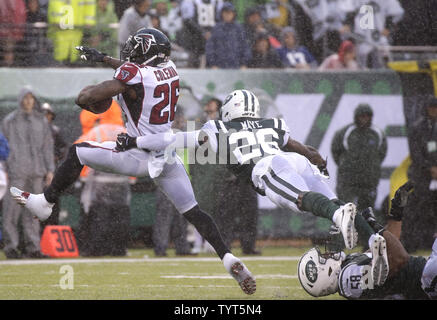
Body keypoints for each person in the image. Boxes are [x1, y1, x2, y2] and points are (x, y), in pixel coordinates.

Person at [10, 28, 256, 295]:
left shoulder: (135, 76)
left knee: (78, 152)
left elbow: (94, 95)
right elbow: (136, 72)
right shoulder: (170, 68)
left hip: (137, 153)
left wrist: (87, 96)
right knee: (194, 211)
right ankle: (228, 257)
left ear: (146, 50)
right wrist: (103, 58)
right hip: (166, 155)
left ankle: (45, 202)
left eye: (135, 48)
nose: (130, 52)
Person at [114, 89, 363, 251]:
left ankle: (338, 216)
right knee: (334, 201)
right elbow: (305, 150)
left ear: (230, 109)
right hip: (294, 160)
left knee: (301, 200)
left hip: (268, 168)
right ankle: (371, 234)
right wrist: (319, 163)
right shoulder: (272, 123)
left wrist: (135, 141)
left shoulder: (217, 127)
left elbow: (174, 139)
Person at [297, 181, 437, 300]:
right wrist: (376, 227)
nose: (327, 254)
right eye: (323, 257)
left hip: (426, 274)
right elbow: (399, 259)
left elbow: (389, 247)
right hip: (427, 281)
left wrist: (396, 213)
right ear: (324, 272)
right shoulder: (348, 280)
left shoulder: (349, 265)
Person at [2, 86, 55, 259]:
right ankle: (11, 247)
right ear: (20, 100)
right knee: (11, 211)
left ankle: (33, 248)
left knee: (34, 212)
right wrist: (4, 168)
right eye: (25, 98)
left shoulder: (41, 121)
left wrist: (50, 170)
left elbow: (47, 147)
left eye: (31, 98)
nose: (28, 101)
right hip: (16, 171)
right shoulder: (9, 121)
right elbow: (3, 146)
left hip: (37, 172)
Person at [331, 103, 387, 219]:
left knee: (368, 213)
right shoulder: (345, 133)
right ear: (356, 117)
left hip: (369, 182)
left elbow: (381, 154)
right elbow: (336, 152)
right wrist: (348, 167)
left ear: (371, 117)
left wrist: (370, 168)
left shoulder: (377, 134)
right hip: (347, 181)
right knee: (345, 210)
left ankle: (365, 236)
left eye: (367, 116)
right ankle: (342, 236)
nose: (364, 119)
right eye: (362, 116)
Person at [153, 108, 193, 257]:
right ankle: (161, 248)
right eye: (180, 118)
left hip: (181, 181)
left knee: (181, 216)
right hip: (167, 181)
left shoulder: (180, 135)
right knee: (165, 216)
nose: (182, 121)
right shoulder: (166, 136)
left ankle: (181, 247)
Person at [401, 95, 437, 253]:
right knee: (418, 209)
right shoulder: (418, 127)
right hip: (422, 176)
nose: (433, 110)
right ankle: (415, 243)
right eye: (431, 107)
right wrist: (430, 167)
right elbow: (416, 153)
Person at [40, 102, 68, 227]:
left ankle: (52, 227)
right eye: (42, 114)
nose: (45, 116)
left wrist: (56, 157)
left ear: (51, 116)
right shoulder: (33, 132)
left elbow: (64, 148)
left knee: (52, 198)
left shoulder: (55, 131)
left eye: (47, 114)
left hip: (52, 171)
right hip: (37, 171)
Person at [205, 2, 251, 69]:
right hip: (219, 67)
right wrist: (213, 64)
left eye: (230, 13)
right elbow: (210, 47)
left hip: (237, 67)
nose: (227, 15)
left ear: (233, 14)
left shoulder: (239, 29)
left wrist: (244, 63)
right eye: (225, 12)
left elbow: (245, 46)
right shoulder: (216, 28)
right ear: (222, 14)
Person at [179, 0, 223, 68]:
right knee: (195, 61)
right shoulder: (189, 2)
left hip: (213, 38)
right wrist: (202, 32)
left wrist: (212, 32)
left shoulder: (218, 2)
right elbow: (188, 20)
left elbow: (221, 19)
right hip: (195, 39)